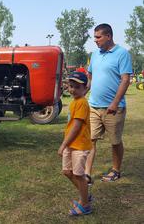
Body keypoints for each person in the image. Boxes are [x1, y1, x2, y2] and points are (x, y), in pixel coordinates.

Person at [85, 23, 132, 183]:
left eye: (98, 37)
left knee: (115, 141)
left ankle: (116, 170)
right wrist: (81, 94)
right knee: (91, 139)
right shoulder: (95, 54)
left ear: (108, 36)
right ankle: (86, 174)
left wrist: (115, 103)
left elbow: (125, 80)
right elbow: (90, 77)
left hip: (114, 108)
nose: (95, 40)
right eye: (95, 37)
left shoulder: (122, 53)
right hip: (94, 106)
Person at [58, 72, 93, 216]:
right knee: (67, 172)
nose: (72, 90)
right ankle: (85, 195)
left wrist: (63, 144)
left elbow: (76, 127)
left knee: (79, 176)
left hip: (79, 145)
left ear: (85, 88)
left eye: (77, 87)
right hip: (71, 144)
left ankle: (85, 205)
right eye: (71, 86)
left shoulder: (82, 103)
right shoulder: (74, 102)